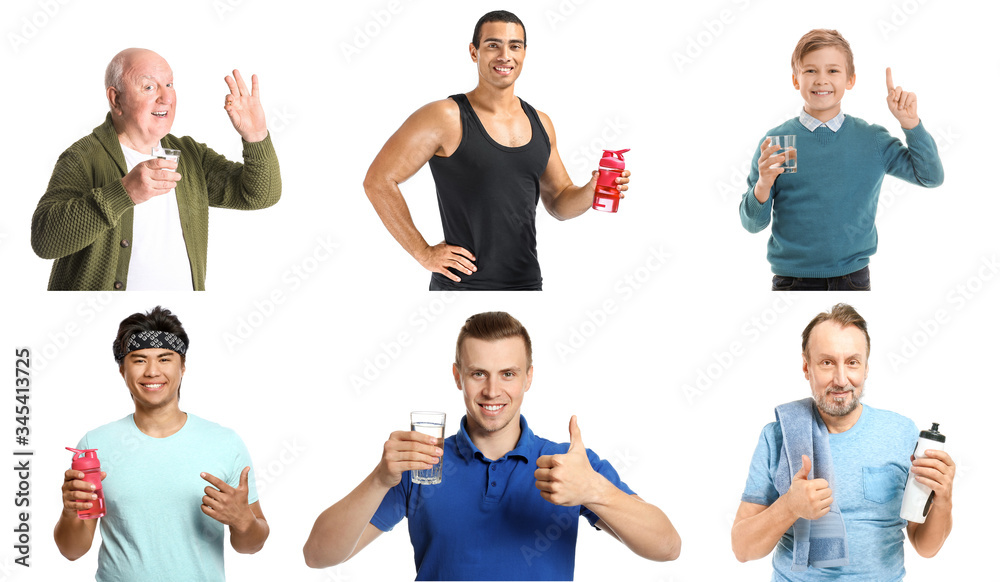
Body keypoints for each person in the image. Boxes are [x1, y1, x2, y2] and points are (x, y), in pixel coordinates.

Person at [303, 311, 680, 579]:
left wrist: (594, 490)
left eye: (508, 374)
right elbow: (318, 556)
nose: (492, 391)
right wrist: (379, 479)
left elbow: (667, 547)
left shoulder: (568, 465)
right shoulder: (423, 463)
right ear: (458, 376)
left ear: (528, 378)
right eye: (478, 373)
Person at [363, 11, 629, 290]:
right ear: (473, 51)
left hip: (526, 284)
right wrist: (422, 252)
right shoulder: (444, 116)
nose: (505, 55)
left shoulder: (541, 122)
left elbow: (560, 202)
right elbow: (378, 181)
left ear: (525, 53)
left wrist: (592, 189)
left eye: (515, 46)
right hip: (461, 286)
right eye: (493, 45)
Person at [731, 303, 955, 580]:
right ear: (806, 367)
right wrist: (789, 506)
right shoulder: (778, 436)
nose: (840, 379)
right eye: (827, 362)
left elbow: (925, 546)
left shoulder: (901, 433)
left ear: (866, 367)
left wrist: (943, 498)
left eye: (852, 362)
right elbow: (742, 549)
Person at [32, 48, 281, 291]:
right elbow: (45, 241)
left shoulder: (190, 155)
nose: (166, 97)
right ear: (116, 98)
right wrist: (124, 193)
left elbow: (259, 195)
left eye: (169, 85)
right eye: (150, 87)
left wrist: (256, 136)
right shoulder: (83, 157)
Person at [55, 306, 268, 581]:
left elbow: (252, 545)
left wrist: (244, 522)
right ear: (122, 370)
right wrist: (70, 511)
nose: (152, 371)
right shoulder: (95, 445)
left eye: (165, 359)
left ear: (183, 367)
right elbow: (72, 551)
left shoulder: (225, 443)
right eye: (139, 360)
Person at [738, 30, 944, 291]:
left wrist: (911, 124)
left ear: (850, 79)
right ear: (795, 79)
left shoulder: (872, 139)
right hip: (791, 281)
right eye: (810, 71)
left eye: (833, 71)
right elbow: (752, 224)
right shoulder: (778, 141)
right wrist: (763, 184)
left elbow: (931, 177)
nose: (821, 80)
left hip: (853, 278)